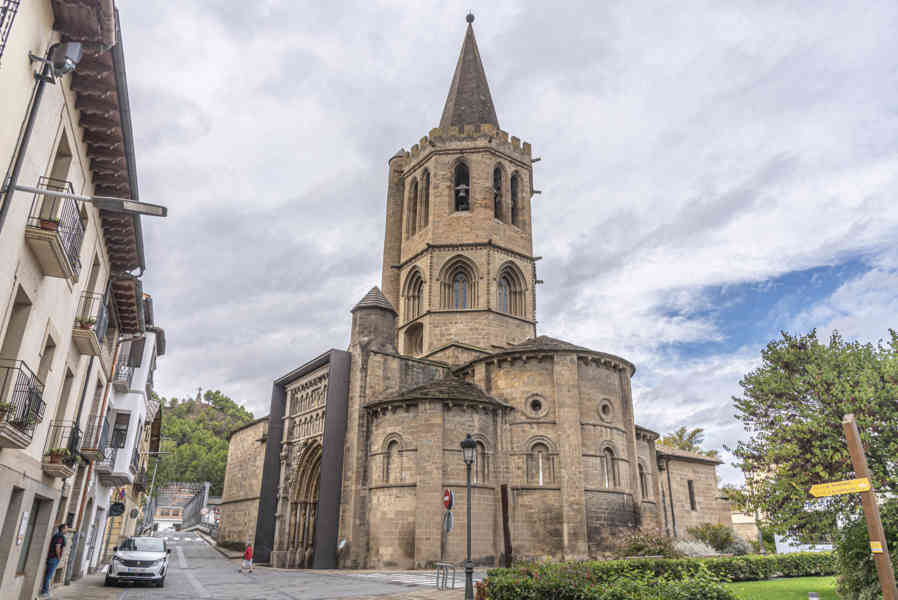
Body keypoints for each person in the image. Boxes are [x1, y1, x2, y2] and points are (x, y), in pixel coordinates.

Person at [40, 523, 66, 598]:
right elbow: (57, 547)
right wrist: (58, 557)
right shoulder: (60, 537)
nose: (67, 530)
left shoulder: (56, 535)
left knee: (48, 575)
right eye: (66, 528)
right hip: (54, 558)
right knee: (49, 576)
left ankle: (46, 590)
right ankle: (45, 592)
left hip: (52, 558)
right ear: (63, 529)